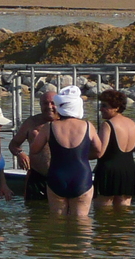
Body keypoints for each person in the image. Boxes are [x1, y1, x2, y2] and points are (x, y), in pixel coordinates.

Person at [30, 86, 100, 216]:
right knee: (82, 223)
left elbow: (34, 150)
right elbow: (99, 151)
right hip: (81, 177)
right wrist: (83, 155)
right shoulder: (88, 126)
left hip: (57, 176)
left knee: (57, 222)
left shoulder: (49, 127)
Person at [8, 85, 59, 201]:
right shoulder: (32, 122)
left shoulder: (66, 122)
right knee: (33, 212)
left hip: (60, 175)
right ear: (40, 105)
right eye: (45, 103)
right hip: (37, 176)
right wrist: (20, 153)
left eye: (53, 103)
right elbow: (13, 144)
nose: (49, 107)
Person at [95, 89, 135, 206]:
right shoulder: (134, 125)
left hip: (108, 170)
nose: (101, 109)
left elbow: (100, 152)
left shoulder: (107, 125)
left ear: (116, 107)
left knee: (102, 213)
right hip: (129, 171)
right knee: (124, 212)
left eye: (104, 106)